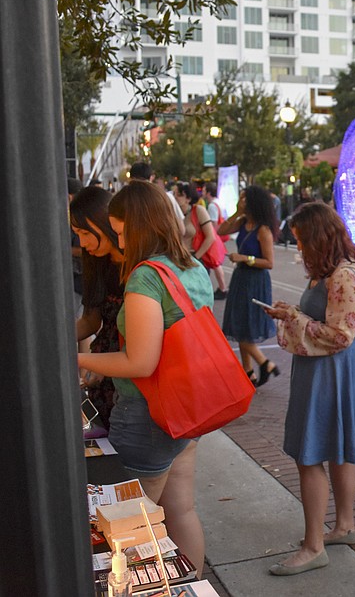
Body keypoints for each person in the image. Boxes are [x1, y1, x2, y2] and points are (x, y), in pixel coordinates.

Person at [77, 179, 213, 576]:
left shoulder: (145, 277)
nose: (118, 240)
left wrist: (83, 360)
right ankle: (192, 585)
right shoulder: (192, 267)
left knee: (131, 530)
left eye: (120, 231)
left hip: (148, 414)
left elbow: (139, 363)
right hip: (188, 410)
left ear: (137, 226)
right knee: (181, 509)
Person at [262, 202, 355, 576]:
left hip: (330, 371)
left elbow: (339, 336)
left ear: (318, 239)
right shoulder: (332, 272)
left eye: (300, 241)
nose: (298, 249)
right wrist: (291, 314)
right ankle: (344, 526)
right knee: (340, 450)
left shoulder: (342, 275)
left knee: (310, 455)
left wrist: (293, 317)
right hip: (329, 371)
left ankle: (314, 546)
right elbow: (325, 322)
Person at [71, 186, 124, 428]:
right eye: (76, 233)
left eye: (84, 232)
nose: (82, 242)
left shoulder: (141, 264)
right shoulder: (95, 262)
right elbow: (90, 321)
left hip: (131, 366)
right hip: (103, 364)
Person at [218, 186, 279, 386]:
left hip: (255, 281)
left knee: (246, 326)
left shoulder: (263, 230)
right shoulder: (243, 223)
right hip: (241, 278)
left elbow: (269, 262)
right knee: (239, 324)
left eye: (244, 199)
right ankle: (248, 371)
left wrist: (245, 258)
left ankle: (265, 363)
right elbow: (221, 231)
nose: (241, 201)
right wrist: (237, 213)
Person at [174, 181, 228, 299]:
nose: (174, 198)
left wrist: (196, 258)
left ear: (187, 198)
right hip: (178, 261)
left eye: (177, 194)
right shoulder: (173, 214)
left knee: (197, 300)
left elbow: (210, 237)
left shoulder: (198, 211)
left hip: (195, 260)